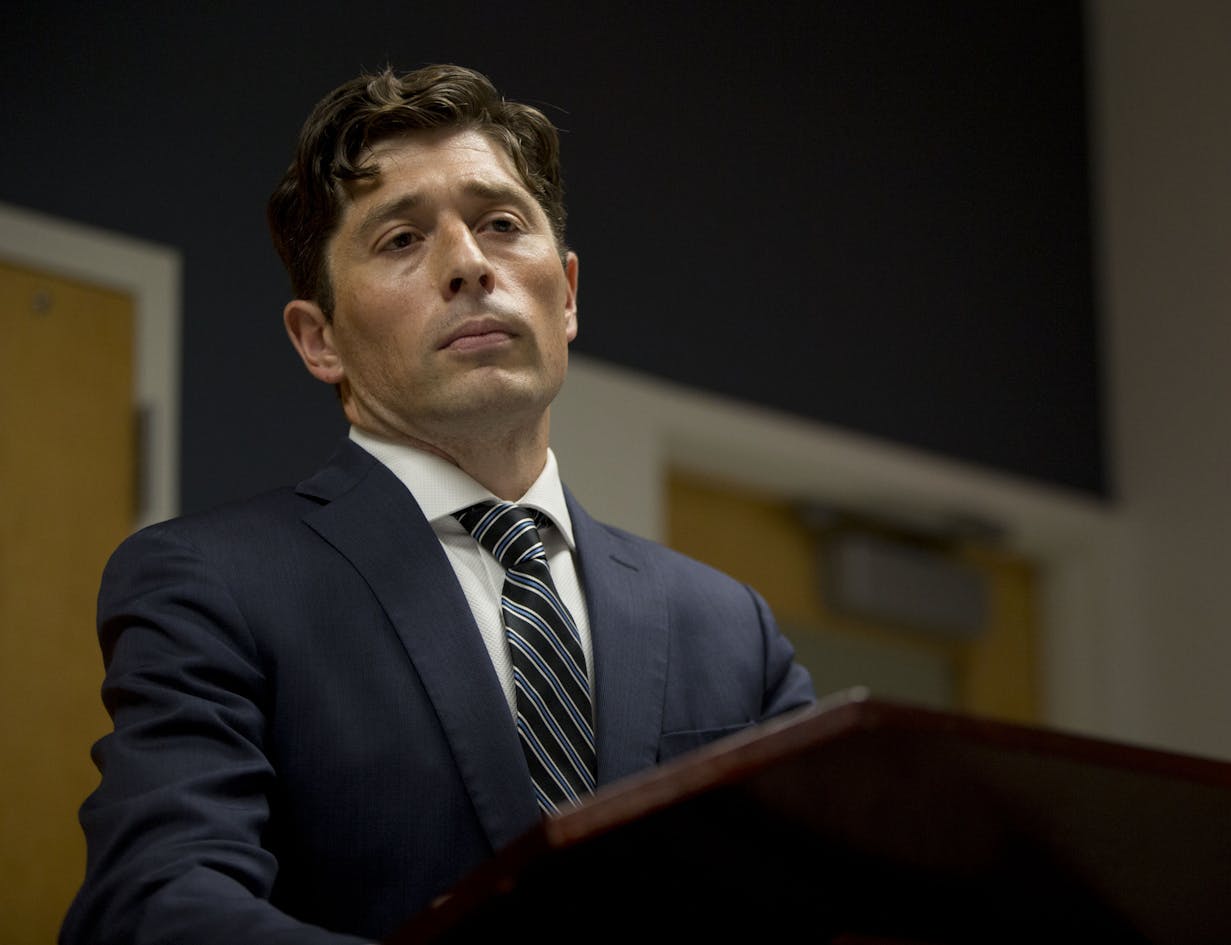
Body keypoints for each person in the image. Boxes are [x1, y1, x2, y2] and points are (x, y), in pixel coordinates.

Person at [61, 64, 814, 945]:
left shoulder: (731, 628)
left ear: (566, 294)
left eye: (501, 224)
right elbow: (152, 909)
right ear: (320, 339)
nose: (468, 264)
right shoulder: (212, 585)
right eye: (400, 240)